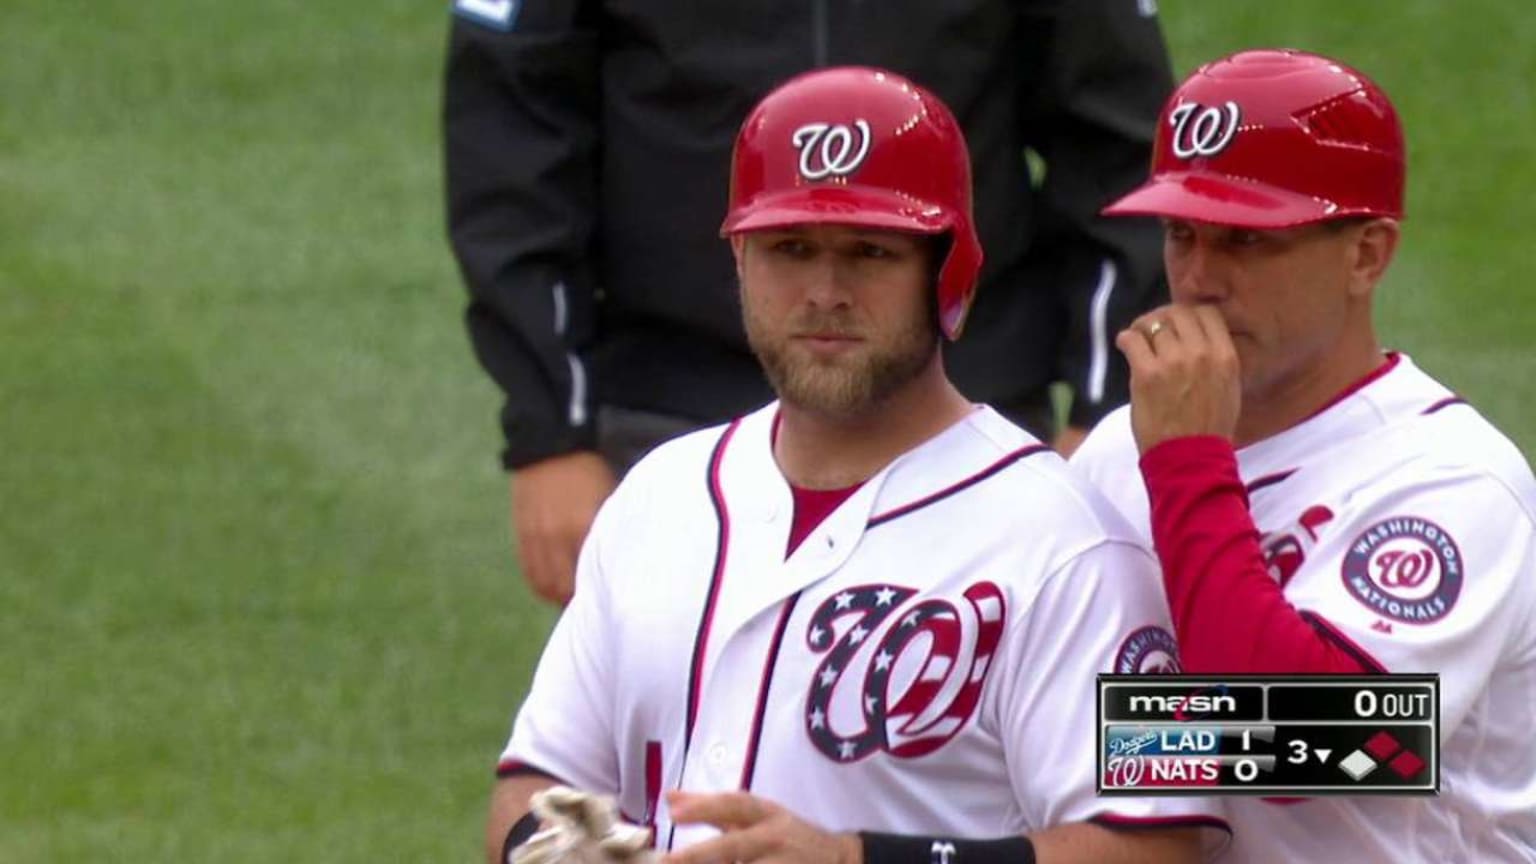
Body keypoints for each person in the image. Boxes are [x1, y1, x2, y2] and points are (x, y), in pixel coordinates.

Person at [485, 67, 1226, 864]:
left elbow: (1155, 849)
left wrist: (860, 860)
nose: (825, 291)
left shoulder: (1074, 547)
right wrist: (549, 849)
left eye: (870, 253)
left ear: (950, 276)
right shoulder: (657, 497)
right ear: (738, 261)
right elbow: (534, 780)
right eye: (790, 249)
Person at [443, 0, 1176, 604]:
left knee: (984, 742)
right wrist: (550, 434)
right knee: (660, 757)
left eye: (1257, 244)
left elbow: (1119, 146)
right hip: (669, 413)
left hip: (957, 412)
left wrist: (1102, 408)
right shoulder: (654, 504)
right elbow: (509, 155)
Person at [1069, 48, 1536, 862]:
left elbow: (1312, 746)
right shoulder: (1116, 449)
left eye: (1247, 242)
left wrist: (1187, 464)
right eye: (1183, 234)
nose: (1199, 279)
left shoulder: (1456, 478)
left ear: (1367, 255)